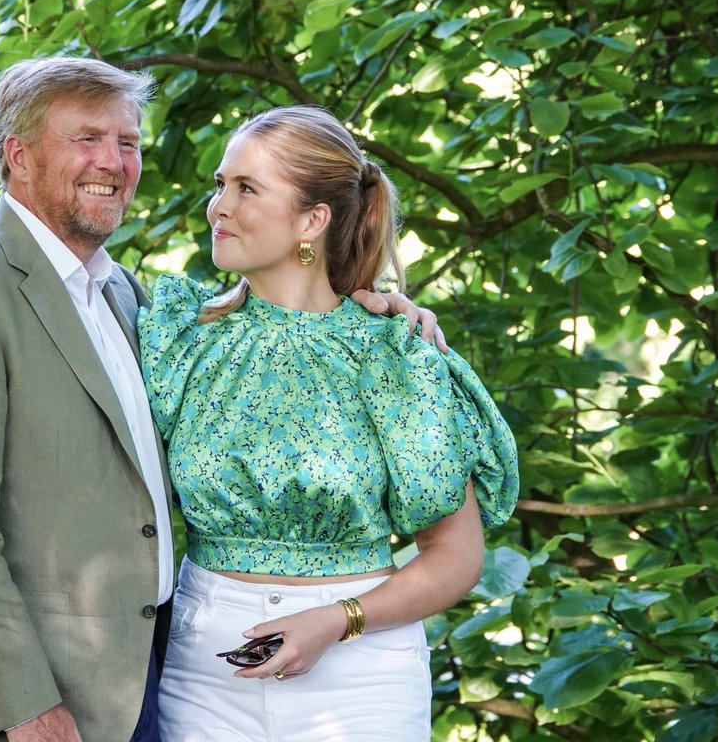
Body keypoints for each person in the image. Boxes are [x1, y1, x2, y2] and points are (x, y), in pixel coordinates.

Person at [0, 58, 445, 742]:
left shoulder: (127, 296)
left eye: (129, 143)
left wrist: (373, 308)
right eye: (87, 139)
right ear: (19, 156)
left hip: (155, 676)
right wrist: (24, 706)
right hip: (42, 695)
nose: (114, 163)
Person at [138, 105, 520, 741]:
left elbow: (455, 557)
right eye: (219, 184)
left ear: (313, 219)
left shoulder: (393, 355)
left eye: (247, 188)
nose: (218, 208)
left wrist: (337, 619)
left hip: (363, 674)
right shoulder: (179, 338)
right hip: (207, 667)